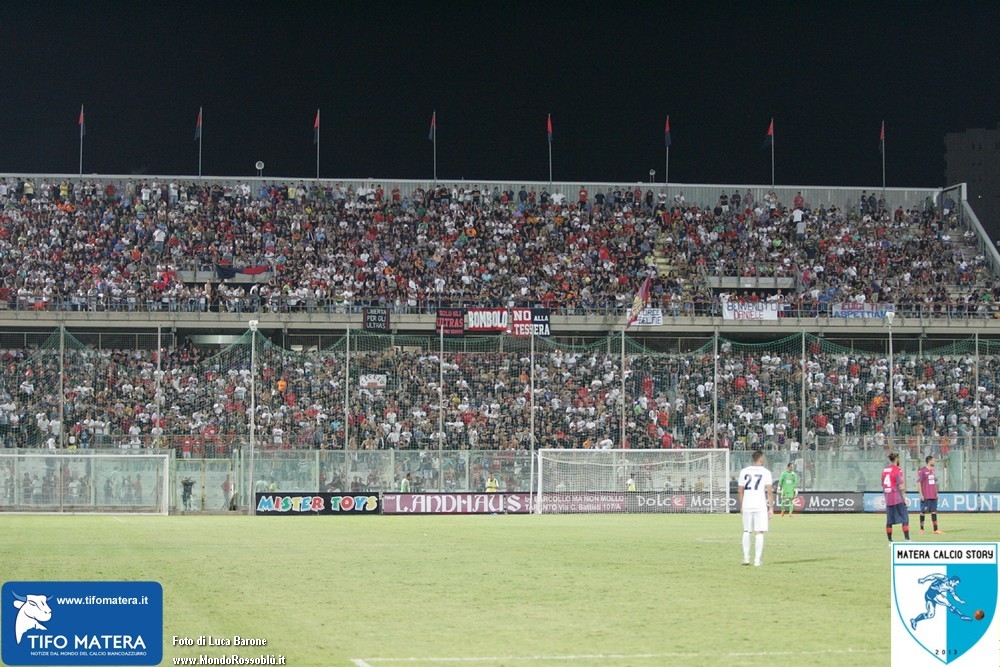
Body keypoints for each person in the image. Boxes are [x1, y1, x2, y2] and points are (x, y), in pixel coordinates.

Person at [738, 450, 774, 566]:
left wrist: (742, 505)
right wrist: (771, 508)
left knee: (746, 531)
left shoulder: (744, 471)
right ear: (761, 460)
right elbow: (769, 492)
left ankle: (746, 558)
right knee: (759, 532)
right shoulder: (766, 472)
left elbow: (740, 490)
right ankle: (757, 560)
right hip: (760, 505)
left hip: (747, 504)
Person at [882, 452, 910, 542]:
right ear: (897, 459)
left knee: (889, 521)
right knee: (905, 518)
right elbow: (901, 486)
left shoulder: (885, 470)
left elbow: (883, 484)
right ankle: (907, 539)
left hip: (888, 498)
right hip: (897, 497)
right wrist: (905, 498)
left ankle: (890, 541)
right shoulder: (898, 470)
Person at [917, 455, 942, 534]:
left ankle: (935, 529)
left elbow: (934, 483)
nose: (934, 462)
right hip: (926, 495)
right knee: (923, 512)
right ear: (929, 461)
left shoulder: (933, 470)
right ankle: (921, 529)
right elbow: (919, 483)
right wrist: (921, 495)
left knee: (934, 511)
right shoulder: (922, 471)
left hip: (933, 495)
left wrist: (936, 493)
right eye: (933, 460)